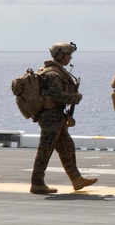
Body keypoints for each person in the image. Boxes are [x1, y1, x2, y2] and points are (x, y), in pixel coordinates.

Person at [29, 42, 98, 194]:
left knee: (67, 146)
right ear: (60, 55)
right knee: (45, 150)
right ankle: (37, 182)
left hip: (56, 117)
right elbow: (58, 96)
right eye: (68, 55)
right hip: (51, 117)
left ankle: (76, 179)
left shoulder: (55, 71)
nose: (70, 58)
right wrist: (75, 97)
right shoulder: (53, 74)